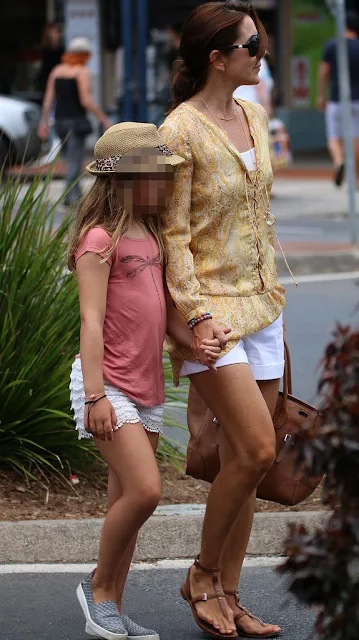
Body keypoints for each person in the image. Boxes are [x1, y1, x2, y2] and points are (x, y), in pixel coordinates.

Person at [67, 122, 224, 640]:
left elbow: (162, 312)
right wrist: (94, 395)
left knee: (125, 507)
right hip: (106, 384)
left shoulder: (151, 235)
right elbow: (91, 321)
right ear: (133, 179)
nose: (170, 183)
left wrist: (194, 336)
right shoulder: (100, 239)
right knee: (146, 490)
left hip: (146, 387)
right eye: (162, 175)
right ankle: (99, 591)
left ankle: (112, 602)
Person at [160, 1, 285, 638]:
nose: (263, 55)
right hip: (210, 313)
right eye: (253, 46)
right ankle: (201, 574)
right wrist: (195, 315)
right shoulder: (179, 130)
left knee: (253, 460)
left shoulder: (254, 115)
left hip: (262, 305)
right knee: (257, 446)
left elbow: (259, 217)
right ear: (218, 57)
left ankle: (230, 594)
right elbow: (172, 233)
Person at [38, 37, 112, 206]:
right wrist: (103, 118)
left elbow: (49, 98)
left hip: (59, 121)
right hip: (76, 121)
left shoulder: (56, 70)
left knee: (67, 158)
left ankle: (75, 193)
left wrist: (43, 122)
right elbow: (85, 100)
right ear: (85, 55)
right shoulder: (81, 72)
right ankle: (70, 197)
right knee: (75, 159)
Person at [318, 11, 359, 188]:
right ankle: (355, 179)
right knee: (356, 138)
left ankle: (339, 161)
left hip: (336, 99)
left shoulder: (332, 45)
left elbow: (324, 73)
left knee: (334, 136)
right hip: (357, 100)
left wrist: (321, 95)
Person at [37, 22, 64, 96]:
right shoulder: (47, 50)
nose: (59, 35)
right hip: (49, 81)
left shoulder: (62, 49)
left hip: (60, 81)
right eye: (57, 32)